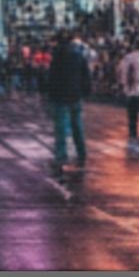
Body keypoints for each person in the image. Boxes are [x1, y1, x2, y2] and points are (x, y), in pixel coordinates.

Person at [46, 29, 92, 171]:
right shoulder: (78, 55)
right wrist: (85, 91)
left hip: (60, 96)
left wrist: (50, 94)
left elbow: (52, 77)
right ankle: (81, 153)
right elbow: (86, 75)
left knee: (61, 127)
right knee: (77, 125)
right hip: (75, 95)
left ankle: (61, 156)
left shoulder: (57, 56)